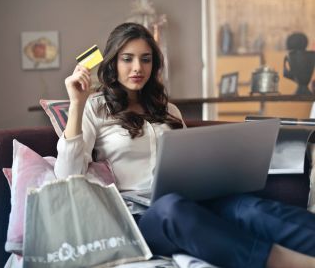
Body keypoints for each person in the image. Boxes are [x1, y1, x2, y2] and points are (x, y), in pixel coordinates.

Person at [54, 22, 315, 268]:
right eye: (127, 59)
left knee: (249, 208)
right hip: (142, 219)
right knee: (172, 209)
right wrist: (76, 104)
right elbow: (67, 175)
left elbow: (191, 161)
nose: (138, 68)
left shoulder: (169, 110)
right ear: (113, 62)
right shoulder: (96, 108)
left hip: (193, 201)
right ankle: (284, 262)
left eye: (146, 59)